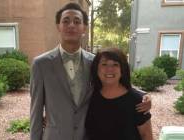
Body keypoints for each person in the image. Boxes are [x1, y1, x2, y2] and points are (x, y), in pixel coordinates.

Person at [30, 2, 151, 140]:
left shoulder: (95, 62)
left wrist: (143, 96)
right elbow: (36, 111)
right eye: (66, 21)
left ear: (84, 28)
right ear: (58, 26)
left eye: (77, 21)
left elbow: (112, 81)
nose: (71, 25)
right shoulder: (41, 64)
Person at [85, 47, 153, 140]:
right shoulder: (90, 96)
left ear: (122, 70)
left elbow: (146, 135)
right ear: (96, 69)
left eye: (115, 64)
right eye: (104, 64)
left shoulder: (137, 100)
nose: (109, 69)